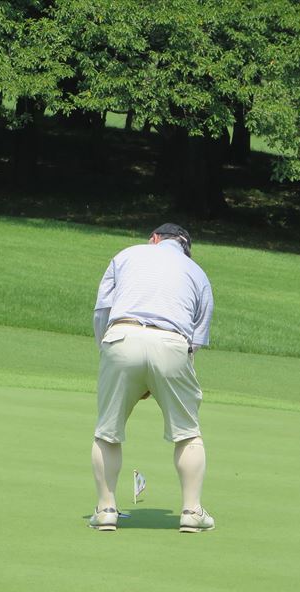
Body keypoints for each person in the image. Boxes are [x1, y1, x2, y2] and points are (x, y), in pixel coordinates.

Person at [89, 223, 215, 532]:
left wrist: (108, 353)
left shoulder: (125, 255)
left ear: (154, 239)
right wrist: (162, 377)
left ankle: (106, 510)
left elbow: (102, 311)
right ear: (185, 248)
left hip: (121, 336)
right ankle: (191, 512)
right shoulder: (197, 272)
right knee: (188, 433)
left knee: (107, 432)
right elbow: (196, 340)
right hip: (172, 344)